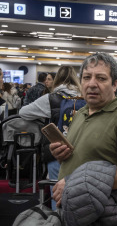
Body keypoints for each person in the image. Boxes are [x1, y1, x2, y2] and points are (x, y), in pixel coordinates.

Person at [49, 53, 117, 218]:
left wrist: (74, 184)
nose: (92, 84)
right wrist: (61, 155)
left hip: (103, 215)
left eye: (101, 78)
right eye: (87, 77)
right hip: (72, 211)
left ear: (115, 85)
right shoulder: (81, 113)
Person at [19, 66, 82, 210]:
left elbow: (23, 112)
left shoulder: (51, 98)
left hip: (56, 150)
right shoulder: (85, 97)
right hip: (82, 150)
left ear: (56, 79)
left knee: (57, 194)